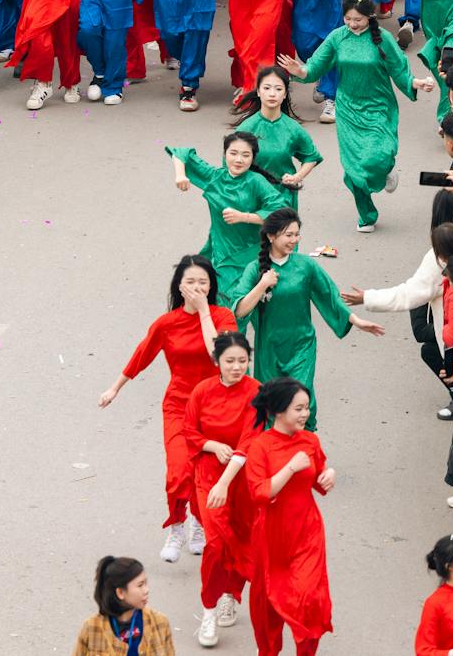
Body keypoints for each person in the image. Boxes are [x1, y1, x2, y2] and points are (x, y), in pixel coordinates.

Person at [99, 255, 238, 567]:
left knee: (205, 472)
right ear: (179, 285)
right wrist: (115, 388)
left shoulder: (222, 316)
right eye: (190, 281)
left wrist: (204, 312)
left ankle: (199, 524)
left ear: (211, 285)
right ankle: (177, 528)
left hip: (214, 406)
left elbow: (219, 355)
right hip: (178, 404)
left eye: (203, 281)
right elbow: (143, 353)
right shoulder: (166, 323)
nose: (197, 287)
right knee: (178, 469)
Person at [278, 0, 436, 233]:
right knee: (353, 169)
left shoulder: (382, 38)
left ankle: (385, 170)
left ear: (370, 17)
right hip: (348, 109)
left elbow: (399, 69)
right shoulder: (337, 38)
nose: (352, 24)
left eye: (358, 20)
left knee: (378, 156)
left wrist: (416, 82)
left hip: (378, 106)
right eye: (348, 19)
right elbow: (315, 67)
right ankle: (366, 214)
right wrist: (300, 71)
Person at [227, 209, 384, 430]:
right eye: (288, 235)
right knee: (272, 405)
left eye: (296, 234)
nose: (294, 240)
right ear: (271, 236)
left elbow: (330, 295)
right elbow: (239, 310)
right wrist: (262, 284)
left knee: (301, 399)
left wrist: (356, 320)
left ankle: (306, 450)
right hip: (269, 349)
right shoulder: (255, 269)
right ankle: (275, 453)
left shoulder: (306, 266)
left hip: (302, 345)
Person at [244, 377, 335, 656]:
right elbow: (260, 493)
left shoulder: (310, 440)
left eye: (306, 407)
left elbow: (318, 480)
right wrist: (289, 469)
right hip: (271, 537)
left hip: (307, 532)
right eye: (299, 409)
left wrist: (328, 476)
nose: (305, 414)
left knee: (310, 599)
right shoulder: (260, 446)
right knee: (268, 604)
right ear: (279, 411)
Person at [182, 330, 260, 648]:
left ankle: (231, 592)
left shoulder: (256, 392)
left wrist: (226, 481)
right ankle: (209, 610)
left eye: (242, 361)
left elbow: (248, 441)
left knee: (241, 537)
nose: (237, 367)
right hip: (208, 475)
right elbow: (189, 431)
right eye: (230, 361)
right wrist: (212, 445)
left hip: (240, 477)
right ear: (217, 361)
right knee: (215, 543)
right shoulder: (202, 391)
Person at [167, 134, 290, 281]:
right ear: (224, 154)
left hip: (250, 252)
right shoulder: (215, 177)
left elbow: (281, 213)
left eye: (245, 155)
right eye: (233, 153)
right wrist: (180, 175)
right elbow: (181, 152)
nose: (238, 160)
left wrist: (244, 217)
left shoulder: (256, 181)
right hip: (220, 249)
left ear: (252, 158)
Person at [231, 67, 323, 210]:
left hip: (283, 197)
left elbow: (311, 157)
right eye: (267, 88)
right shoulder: (246, 128)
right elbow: (229, 164)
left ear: (285, 94)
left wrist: (297, 177)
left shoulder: (293, 128)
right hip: (253, 196)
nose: (272, 94)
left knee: (284, 232)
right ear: (258, 92)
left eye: (278, 89)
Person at [69, 556, 175, 656]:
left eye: (146, 583)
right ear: (120, 593)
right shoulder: (92, 628)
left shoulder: (159, 623)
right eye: (140, 585)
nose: (146, 590)